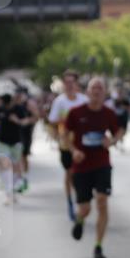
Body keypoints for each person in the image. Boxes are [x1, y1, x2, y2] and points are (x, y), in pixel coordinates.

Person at [64, 77, 123, 258]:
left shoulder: (109, 113)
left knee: (102, 201)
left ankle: (98, 246)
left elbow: (118, 132)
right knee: (86, 208)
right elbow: (64, 136)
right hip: (81, 166)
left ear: (104, 92)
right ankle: (80, 219)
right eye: (93, 88)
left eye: (100, 88)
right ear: (87, 92)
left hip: (102, 164)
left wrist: (111, 141)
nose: (96, 91)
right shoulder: (75, 112)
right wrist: (74, 151)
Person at [48, 70, 89, 222]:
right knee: (70, 173)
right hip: (66, 145)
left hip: (84, 144)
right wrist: (57, 132)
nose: (69, 85)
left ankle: (81, 199)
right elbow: (52, 121)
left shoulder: (84, 100)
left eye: (72, 82)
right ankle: (71, 201)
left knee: (82, 174)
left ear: (76, 84)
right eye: (67, 82)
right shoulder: (60, 102)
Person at [0, 93, 23, 204]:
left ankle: (14, 191)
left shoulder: (18, 109)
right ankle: (8, 193)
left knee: (15, 167)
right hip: (3, 141)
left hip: (16, 141)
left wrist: (16, 120)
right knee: (5, 165)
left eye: (7, 104)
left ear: (11, 102)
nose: (5, 106)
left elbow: (24, 122)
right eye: (3, 104)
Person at [12, 88, 38, 192]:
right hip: (14, 133)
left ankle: (24, 177)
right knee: (16, 156)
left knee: (24, 156)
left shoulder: (29, 104)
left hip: (25, 133)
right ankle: (19, 178)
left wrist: (27, 121)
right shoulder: (12, 104)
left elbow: (36, 117)